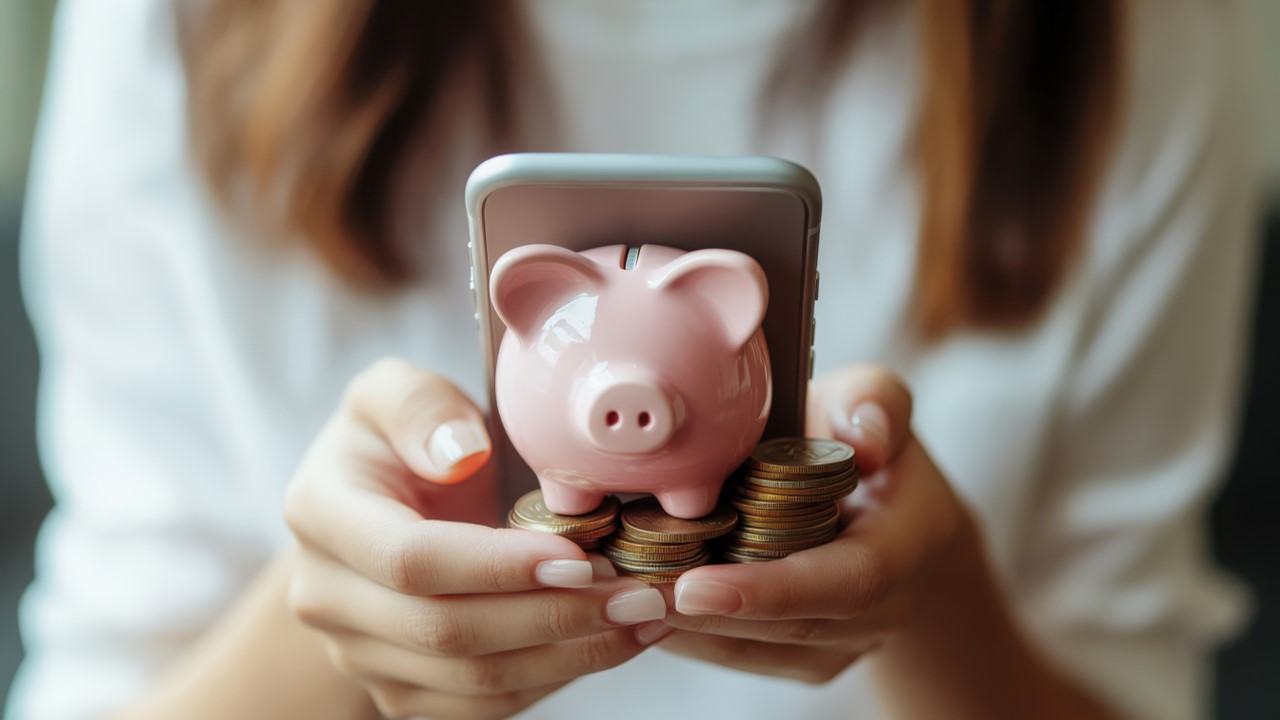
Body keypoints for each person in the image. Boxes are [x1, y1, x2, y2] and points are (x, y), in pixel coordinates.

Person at [8, 0, 1260, 718]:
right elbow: (104, 670)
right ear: (525, 301)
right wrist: (328, 622)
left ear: (725, 305)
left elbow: (1132, 675)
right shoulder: (175, 22)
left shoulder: (1128, 40)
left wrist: (935, 605)